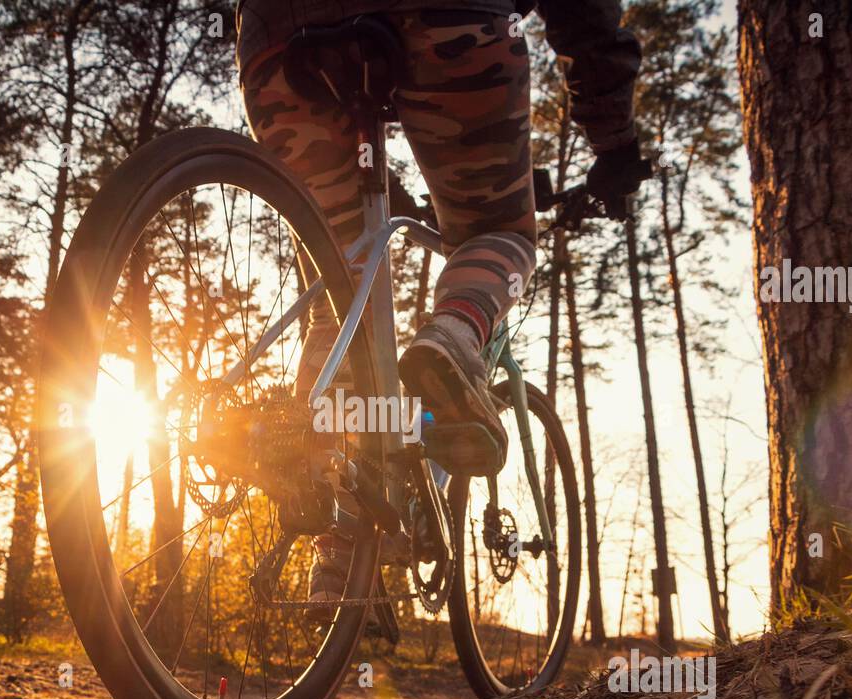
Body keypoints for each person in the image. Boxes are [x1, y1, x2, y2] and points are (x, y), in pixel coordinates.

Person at [234, 0, 648, 612]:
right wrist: (615, 143)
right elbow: (584, 15)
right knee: (498, 232)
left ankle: (324, 493)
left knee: (340, 295)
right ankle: (455, 335)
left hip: (278, 39)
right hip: (445, 18)